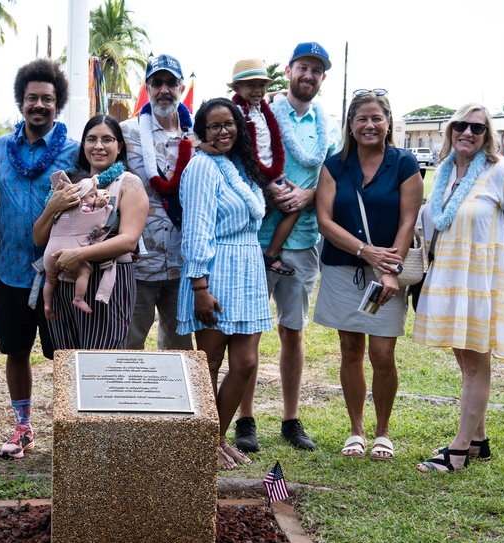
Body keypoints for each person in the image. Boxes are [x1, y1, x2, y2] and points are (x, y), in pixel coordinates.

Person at [414, 105, 504, 473]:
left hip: (482, 285)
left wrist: (501, 285)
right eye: (461, 125)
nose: (468, 132)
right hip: (448, 279)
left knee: (475, 364)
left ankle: (457, 451)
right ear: (450, 130)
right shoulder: (443, 172)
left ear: (488, 134)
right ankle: (478, 441)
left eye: (477, 127)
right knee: (465, 360)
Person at [235, 41, 341, 454]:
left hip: (303, 240)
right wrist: (270, 189)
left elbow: (333, 178)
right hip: (255, 238)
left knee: (292, 332)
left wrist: (309, 196)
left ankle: (291, 420)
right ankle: (246, 420)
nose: (309, 75)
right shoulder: (262, 113)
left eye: (317, 70)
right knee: (249, 334)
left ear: (322, 77)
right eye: (303, 67)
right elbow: (241, 158)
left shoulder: (327, 124)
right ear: (289, 69)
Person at [313, 91, 423, 461]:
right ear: (350, 125)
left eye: (376, 118)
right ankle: (356, 431)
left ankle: (383, 432)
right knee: (350, 349)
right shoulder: (334, 166)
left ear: (388, 121)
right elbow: (325, 221)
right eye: (361, 119)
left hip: (385, 275)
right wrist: (363, 250)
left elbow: (409, 220)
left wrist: (389, 268)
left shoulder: (404, 163)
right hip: (343, 269)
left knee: (382, 353)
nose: (369, 125)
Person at [0, 59, 77, 460]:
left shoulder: (75, 151)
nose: (38, 105)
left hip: (60, 273)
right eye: (31, 98)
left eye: (47, 99)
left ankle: (73, 429)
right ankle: (23, 428)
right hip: (10, 271)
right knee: (16, 350)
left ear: (58, 104)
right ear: (21, 102)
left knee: (64, 354)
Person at [177, 98, 271, 471]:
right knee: (210, 361)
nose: (223, 131)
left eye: (228, 123)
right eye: (214, 126)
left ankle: (216, 435)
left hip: (248, 269)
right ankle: (205, 442)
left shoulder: (240, 168)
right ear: (202, 131)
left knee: (246, 363)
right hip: (215, 271)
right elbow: (196, 226)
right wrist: (199, 285)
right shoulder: (201, 167)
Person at [33, 115, 147, 350]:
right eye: (91, 139)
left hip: (106, 283)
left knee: (101, 362)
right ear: (83, 144)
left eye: (107, 139)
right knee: (67, 359)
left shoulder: (129, 184)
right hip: (63, 282)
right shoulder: (70, 185)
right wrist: (53, 206)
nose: (98, 146)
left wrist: (80, 255)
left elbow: (129, 240)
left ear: (119, 146)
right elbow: (39, 238)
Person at [120, 54, 194, 351]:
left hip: (182, 261)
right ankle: (126, 398)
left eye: (171, 83)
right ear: (147, 87)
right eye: (157, 83)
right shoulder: (127, 133)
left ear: (181, 87)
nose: (164, 90)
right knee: (128, 341)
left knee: (180, 349)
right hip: (139, 262)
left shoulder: (197, 134)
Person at [228, 58, 300, 276]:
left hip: (271, 175)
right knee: (250, 220)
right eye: (251, 85)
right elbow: (242, 157)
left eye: (261, 85)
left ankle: (270, 255)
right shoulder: (236, 114)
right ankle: (251, 259)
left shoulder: (263, 108)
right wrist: (267, 184)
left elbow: (271, 95)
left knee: (294, 207)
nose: (257, 90)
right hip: (250, 180)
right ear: (237, 88)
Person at [41, 172, 111, 318]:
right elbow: (98, 222)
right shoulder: (85, 208)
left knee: (50, 279)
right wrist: (100, 205)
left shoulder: (61, 207)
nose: (94, 198)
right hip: (69, 249)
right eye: (92, 196)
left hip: (49, 253)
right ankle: (79, 298)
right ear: (83, 195)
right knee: (84, 271)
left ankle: (47, 304)